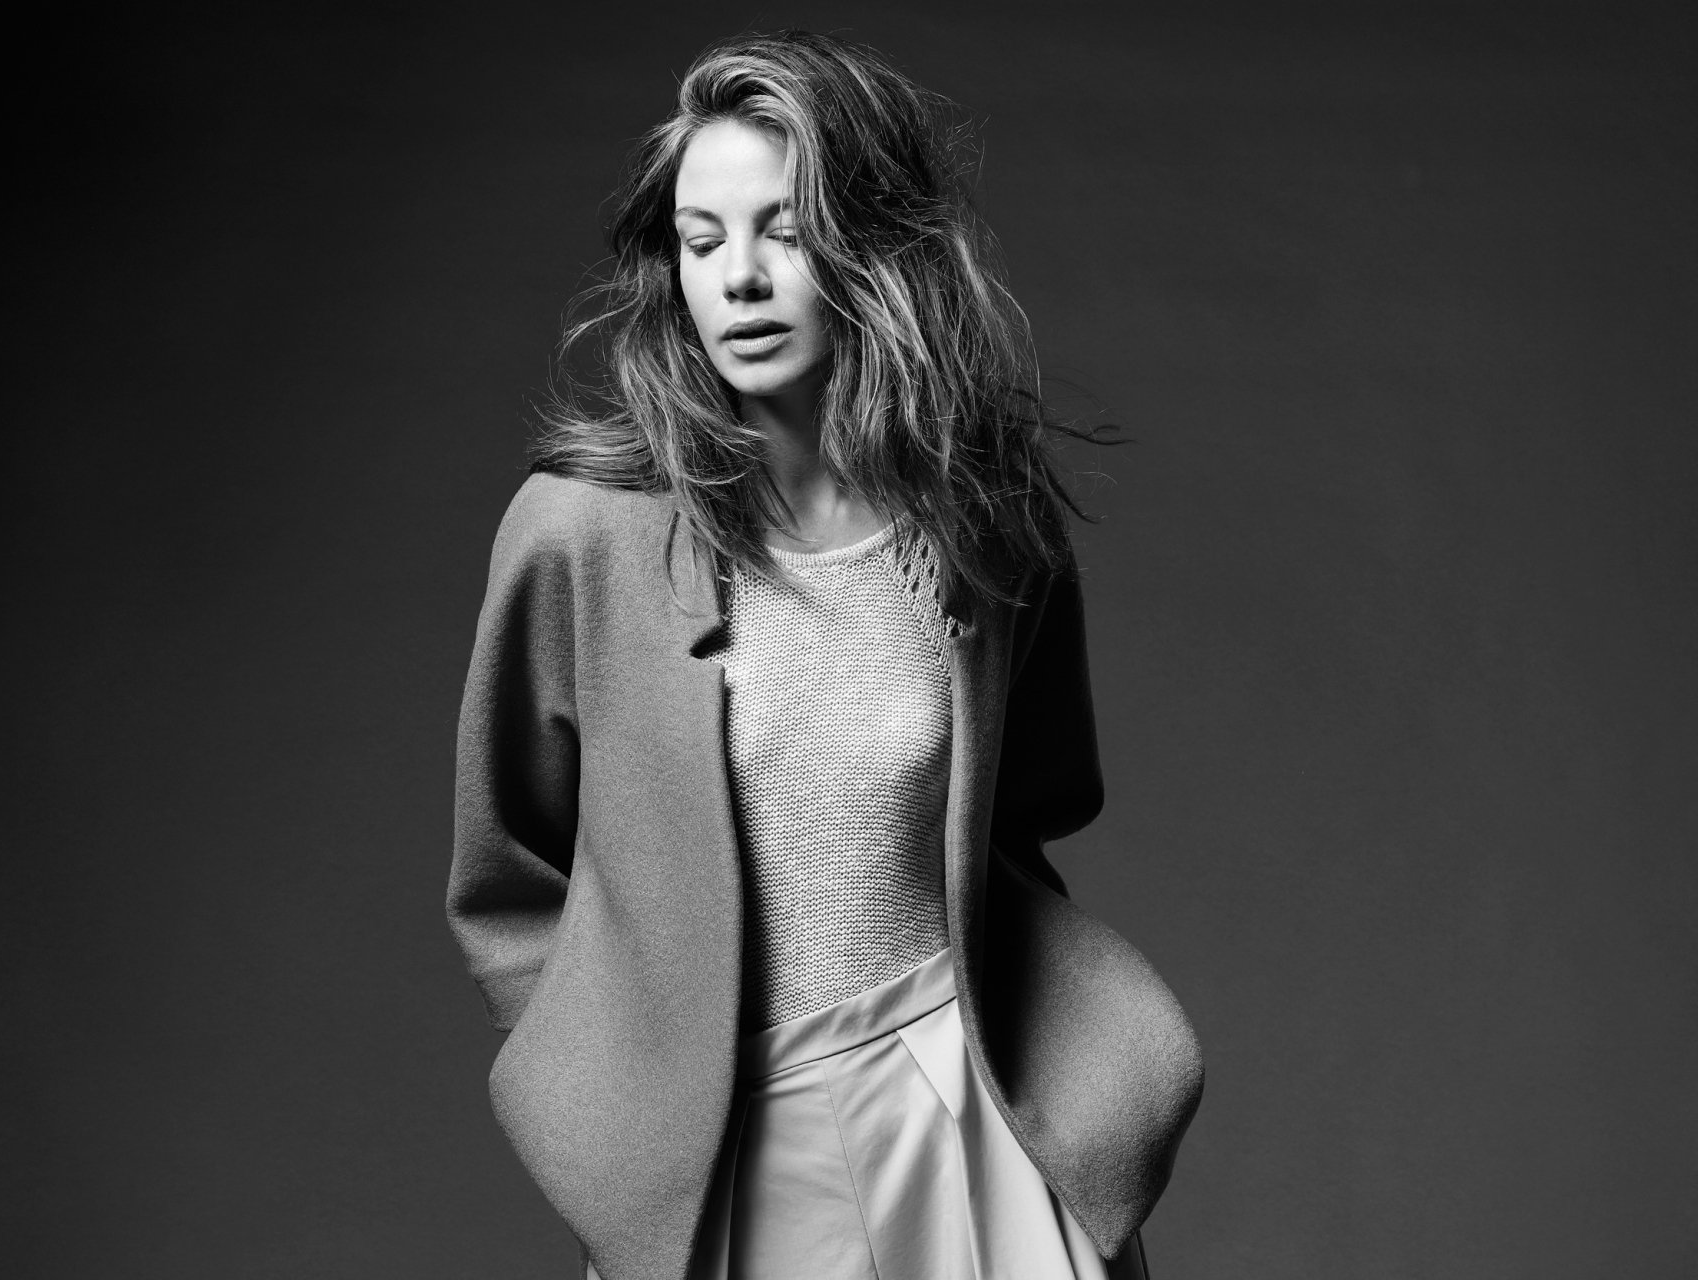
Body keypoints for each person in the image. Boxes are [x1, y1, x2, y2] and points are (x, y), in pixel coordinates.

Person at [449, 30, 1202, 1280]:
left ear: (874, 246)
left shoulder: (981, 514)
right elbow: (505, 869)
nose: (736, 278)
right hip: (725, 1151)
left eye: (781, 231)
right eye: (701, 241)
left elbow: (1032, 809)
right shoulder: (579, 529)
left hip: (962, 1107)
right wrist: (615, 1092)